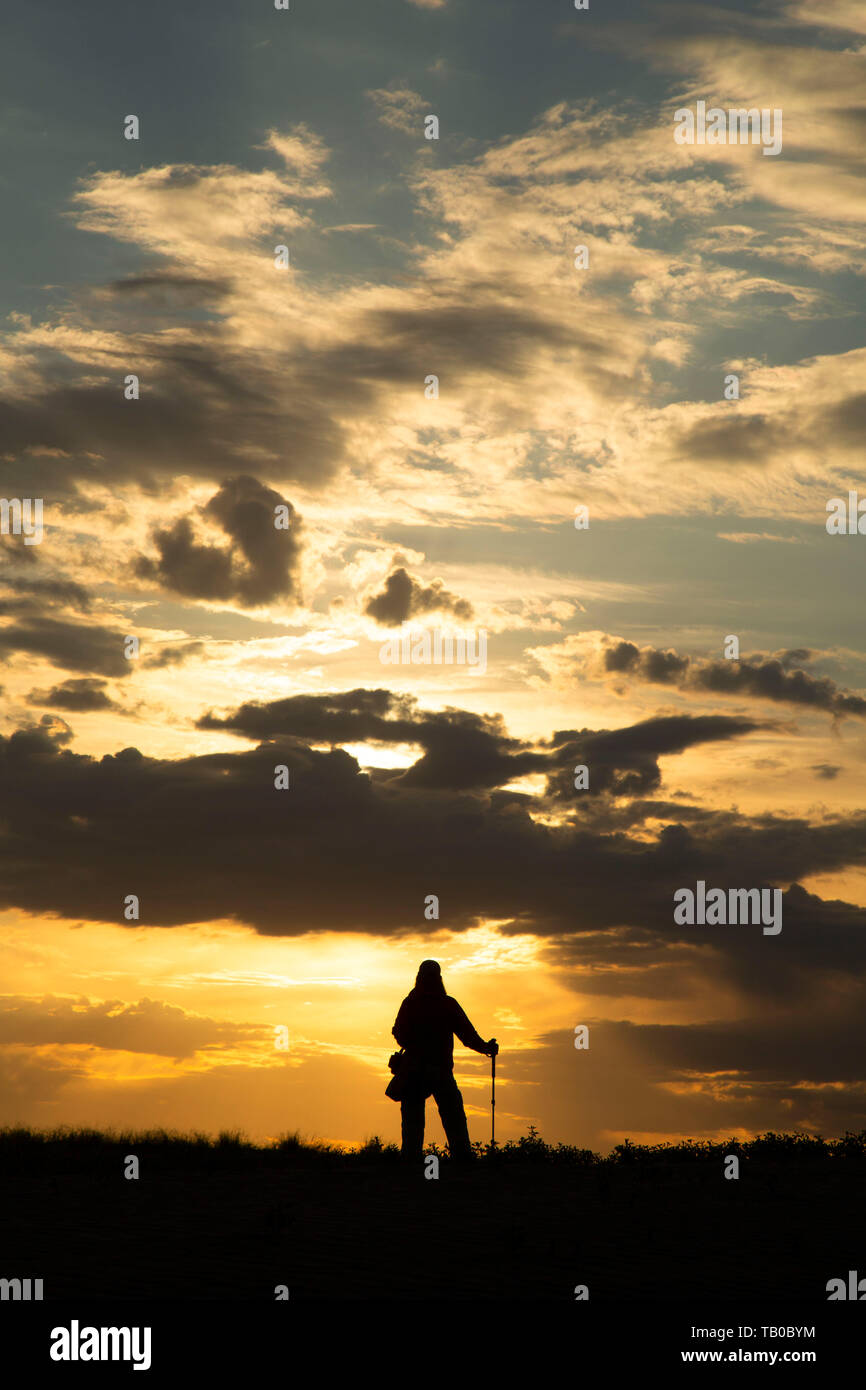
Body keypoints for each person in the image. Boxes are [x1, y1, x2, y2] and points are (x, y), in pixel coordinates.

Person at [392, 959, 498, 1163]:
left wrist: (414, 1044)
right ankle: (462, 1161)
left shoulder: (411, 1003)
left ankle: (411, 1163)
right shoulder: (447, 1004)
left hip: (415, 1071)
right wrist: (486, 1048)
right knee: (453, 1118)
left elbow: (398, 1033)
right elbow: (468, 1036)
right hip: (439, 1071)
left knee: (415, 1122)